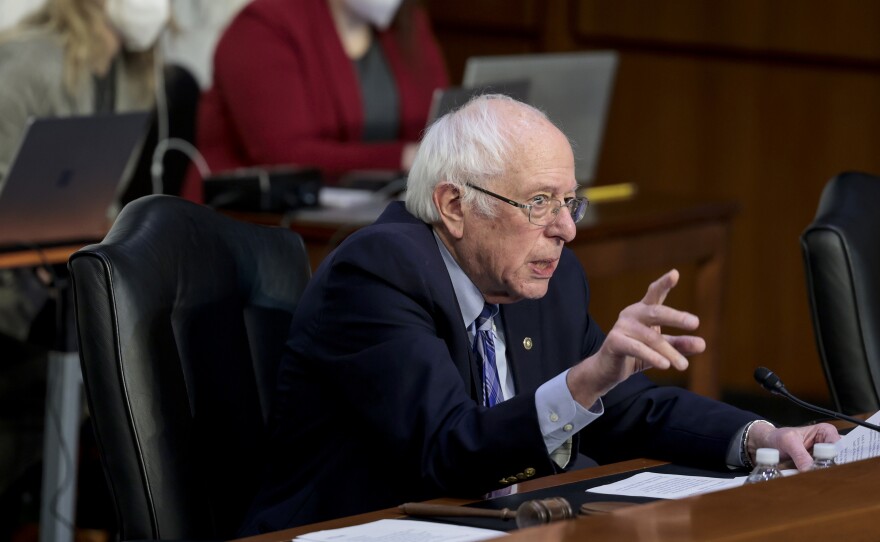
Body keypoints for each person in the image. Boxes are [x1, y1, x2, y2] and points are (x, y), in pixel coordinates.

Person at [238, 95, 840, 534]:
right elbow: (447, 453)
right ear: (453, 205)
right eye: (539, 203)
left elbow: (628, 408)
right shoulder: (376, 274)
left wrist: (761, 436)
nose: (567, 228)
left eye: (568, 201)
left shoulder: (543, 278)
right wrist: (586, 379)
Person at [181, 0, 449, 202]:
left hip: (368, 216)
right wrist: (402, 158)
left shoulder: (408, 24)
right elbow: (282, 154)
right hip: (249, 228)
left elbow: (436, 120)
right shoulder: (261, 25)